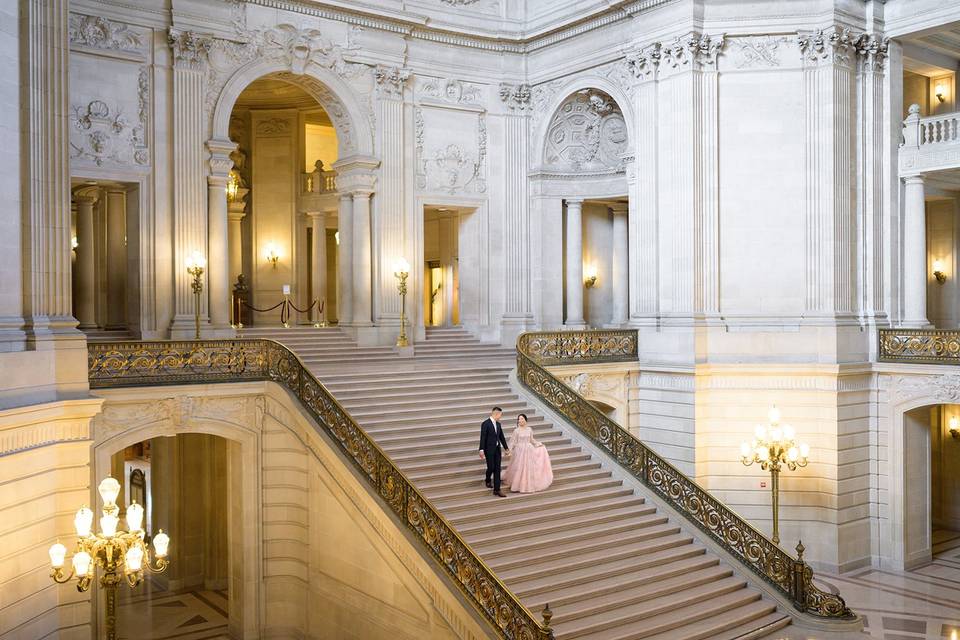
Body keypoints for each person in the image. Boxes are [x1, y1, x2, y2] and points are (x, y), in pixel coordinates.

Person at [503, 413, 553, 493]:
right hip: (520, 451)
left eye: (522, 419)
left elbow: (532, 440)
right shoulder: (516, 430)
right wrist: (508, 450)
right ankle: (518, 484)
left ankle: (528, 484)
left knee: (528, 468)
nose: (520, 420)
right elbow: (513, 442)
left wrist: (538, 444)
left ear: (525, 420)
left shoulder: (529, 429)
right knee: (519, 467)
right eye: (519, 419)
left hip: (529, 450)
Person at [478, 406, 509, 497]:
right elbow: (483, 437)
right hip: (489, 450)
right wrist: (481, 449)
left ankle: (497, 490)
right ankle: (487, 479)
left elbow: (501, 437)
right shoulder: (485, 423)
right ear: (496, 414)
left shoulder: (498, 424)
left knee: (497, 469)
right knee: (491, 467)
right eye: (500, 415)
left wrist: (506, 448)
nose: (501, 416)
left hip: (497, 449)